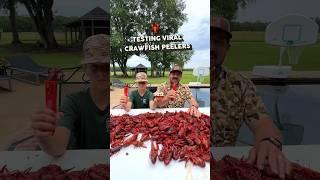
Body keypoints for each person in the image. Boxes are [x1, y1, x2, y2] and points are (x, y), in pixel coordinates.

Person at [211, 16, 291, 178]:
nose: (211, 47)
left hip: (224, 167)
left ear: (227, 48)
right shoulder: (177, 82)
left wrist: (268, 142)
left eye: (218, 42)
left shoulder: (240, 85)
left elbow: (264, 123)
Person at [31, 34, 109, 157]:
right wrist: (44, 136)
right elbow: (57, 147)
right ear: (85, 69)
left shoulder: (120, 100)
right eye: (94, 67)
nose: (101, 74)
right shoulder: (73, 102)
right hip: (83, 164)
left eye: (107, 67)